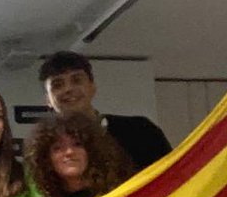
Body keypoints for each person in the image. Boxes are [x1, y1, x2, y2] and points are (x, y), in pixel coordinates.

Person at [39, 50, 172, 171]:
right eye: (57, 85)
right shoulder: (44, 149)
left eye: (76, 80)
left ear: (92, 87)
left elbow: (173, 176)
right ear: (48, 100)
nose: (68, 89)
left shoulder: (141, 131)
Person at [25, 111, 132, 197]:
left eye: (77, 144)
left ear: (92, 151)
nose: (69, 152)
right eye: (57, 148)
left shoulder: (120, 194)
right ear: (46, 159)